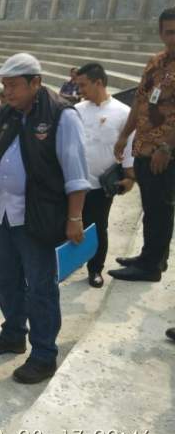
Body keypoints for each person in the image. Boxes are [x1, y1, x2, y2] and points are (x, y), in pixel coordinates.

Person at [0, 53, 90, 384]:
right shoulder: (7, 113)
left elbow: (76, 173)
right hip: (7, 213)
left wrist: (75, 217)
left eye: (13, 86)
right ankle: (12, 333)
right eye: (4, 86)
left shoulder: (61, 115)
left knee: (40, 286)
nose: (7, 93)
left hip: (39, 215)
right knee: (4, 277)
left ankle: (43, 354)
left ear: (35, 82)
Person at [110, 8, 175, 294]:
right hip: (143, 147)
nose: (174, 37)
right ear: (161, 33)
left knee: (160, 207)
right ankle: (152, 258)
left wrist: (166, 146)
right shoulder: (155, 62)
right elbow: (139, 101)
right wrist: (124, 135)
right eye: (169, 32)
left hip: (165, 152)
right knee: (151, 206)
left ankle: (150, 267)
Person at [73, 63, 135, 288]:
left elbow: (129, 148)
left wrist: (130, 177)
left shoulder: (123, 113)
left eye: (83, 85)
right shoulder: (77, 110)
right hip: (76, 183)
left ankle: (95, 269)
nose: (80, 90)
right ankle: (71, 263)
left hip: (101, 185)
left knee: (98, 226)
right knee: (70, 223)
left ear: (98, 83)